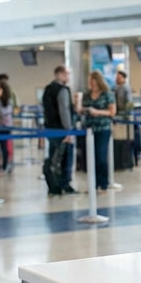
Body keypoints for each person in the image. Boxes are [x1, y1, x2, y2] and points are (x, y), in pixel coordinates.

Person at [41, 65, 77, 196]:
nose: (68, 77)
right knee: (65, 158)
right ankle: (64, 184)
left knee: (54, 156)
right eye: (66, 74)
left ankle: (53, 184)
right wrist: (69, 130)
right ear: (60, 74)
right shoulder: (62, 90)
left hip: (50, 128)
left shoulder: (47, 90)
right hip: (61, 129)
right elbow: (64, 110)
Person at [81, 71, 116, 192]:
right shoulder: (86, 94)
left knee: (101, 156)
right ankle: (93, 184)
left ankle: (103, 183)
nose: (90, 82)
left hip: (103, 129)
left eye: (92, 79)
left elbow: (112, 112)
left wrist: (97, 112)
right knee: (90, 157)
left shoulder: (107, 94)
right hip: (89, 130)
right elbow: (82, 110)